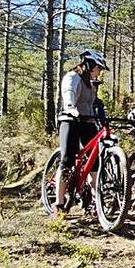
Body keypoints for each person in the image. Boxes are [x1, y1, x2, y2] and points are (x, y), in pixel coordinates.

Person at [54, 50, 109, 212]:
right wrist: (71, 108)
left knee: (95, 162)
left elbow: (95, 104)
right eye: (99, 68)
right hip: (70, 120)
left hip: (87, 121)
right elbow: (69, 94)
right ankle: (59, 203)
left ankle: (95, 200)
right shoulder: (73, 77)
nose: (99, 72)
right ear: (90, 65)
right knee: (67, 160)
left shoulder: (91, 83)